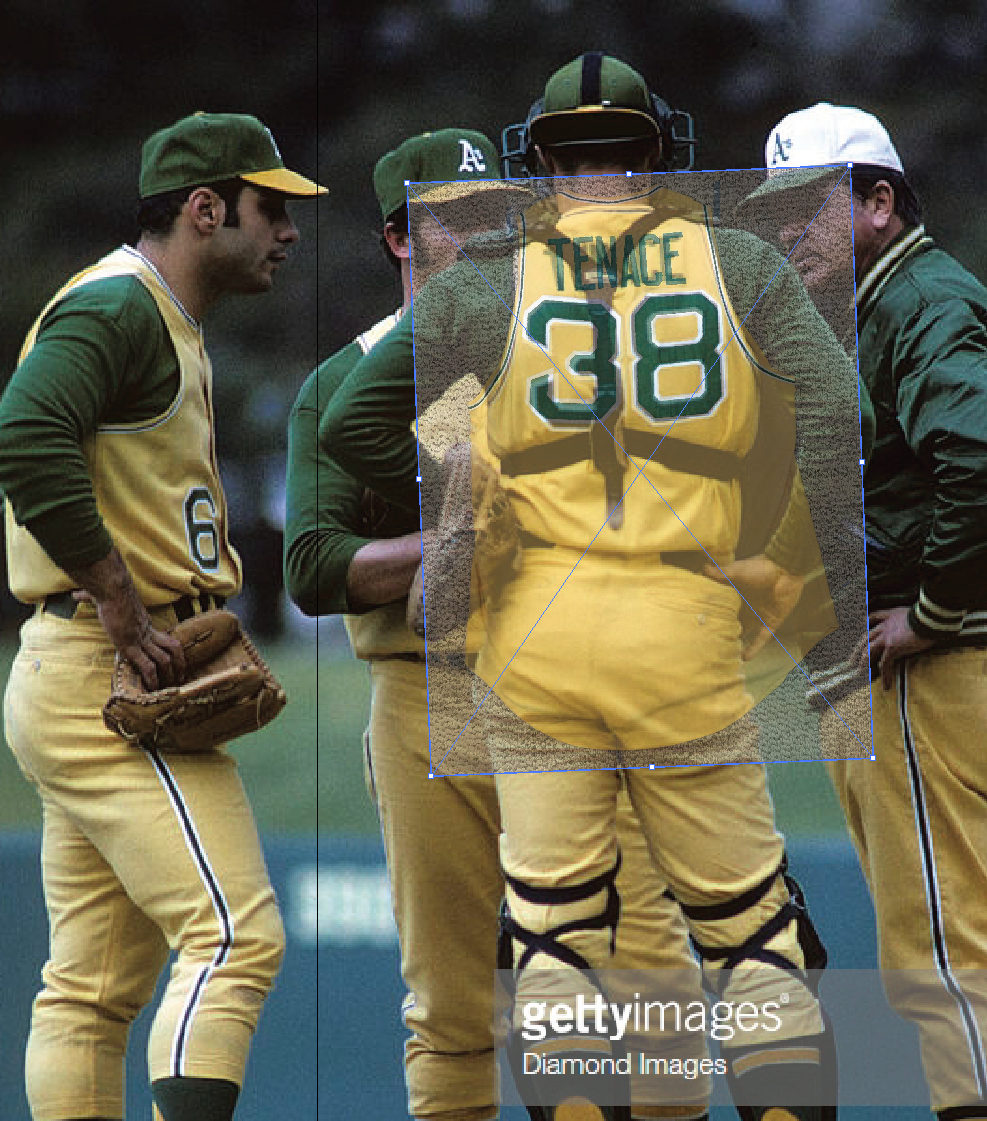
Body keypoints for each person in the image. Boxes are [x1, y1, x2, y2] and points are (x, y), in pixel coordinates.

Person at [321, 54, 864, 1120]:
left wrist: (471, 477)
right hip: (687, 632)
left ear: (541, 163)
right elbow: (845, 416)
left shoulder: (492, 279)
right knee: (750, 931)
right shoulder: (739, 261)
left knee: (555, 932)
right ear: (659, 151)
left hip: (533, 645)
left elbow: (351, 423)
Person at [285, 126, 716, 1121]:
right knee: (454, 998)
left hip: (578, 684)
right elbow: (311, 565)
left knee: (644, 985)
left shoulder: (576, 353)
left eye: (499, 217)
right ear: (400, 238)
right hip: (422, 689)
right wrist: (454, 542)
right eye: (456, 221)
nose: (486, 239)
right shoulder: (342, 382)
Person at [0, 112, 325, 1121]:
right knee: (234, 936)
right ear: (204, 207)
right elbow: (23, 430)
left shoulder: (156, 316)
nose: (292, 229)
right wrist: (117, 592)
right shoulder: (119, 308)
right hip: (114, 665)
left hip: (76, 668)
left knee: (90, 989)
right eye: (273, 207)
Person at [756, 102, 987, 1121]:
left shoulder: (917, 300)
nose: (785, 233)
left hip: (930, 668)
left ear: (878, 202)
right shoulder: (892, 303)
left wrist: (927, 612)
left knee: (940, 957)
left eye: (808, 209)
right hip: (972, 668)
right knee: (976, 945)